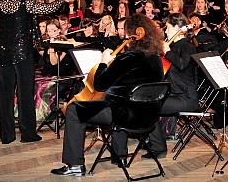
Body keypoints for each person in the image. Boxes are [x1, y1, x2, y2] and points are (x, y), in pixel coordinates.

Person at [50, 14, 165, 176]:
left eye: (126, 32)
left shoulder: (128, 58)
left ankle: (74, 164)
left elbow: (100, 84)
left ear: (133, 34)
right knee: (121, 100)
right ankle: (120, 156)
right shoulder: (156, 59)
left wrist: (104, 61)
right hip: (148, 117)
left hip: (126, 117)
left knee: (74, 109)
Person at [0, 0, 77, 145]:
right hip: (22, 54)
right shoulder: (25, 4)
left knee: (6, 95)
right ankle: (27, 133)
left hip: (3, 54)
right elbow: (47, 9)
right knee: (25, 94)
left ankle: (6, 135)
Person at [145, 13, 199, 158]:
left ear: (177, 27)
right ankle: (154, 142)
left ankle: (158, 147)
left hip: (186, 98)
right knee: (146, 103)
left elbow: (181, 64)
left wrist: (167, 52)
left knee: (150, 108)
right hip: (175, 94)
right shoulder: (174, 45)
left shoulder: (187, 46)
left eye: (168, 28)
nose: (166, 31)